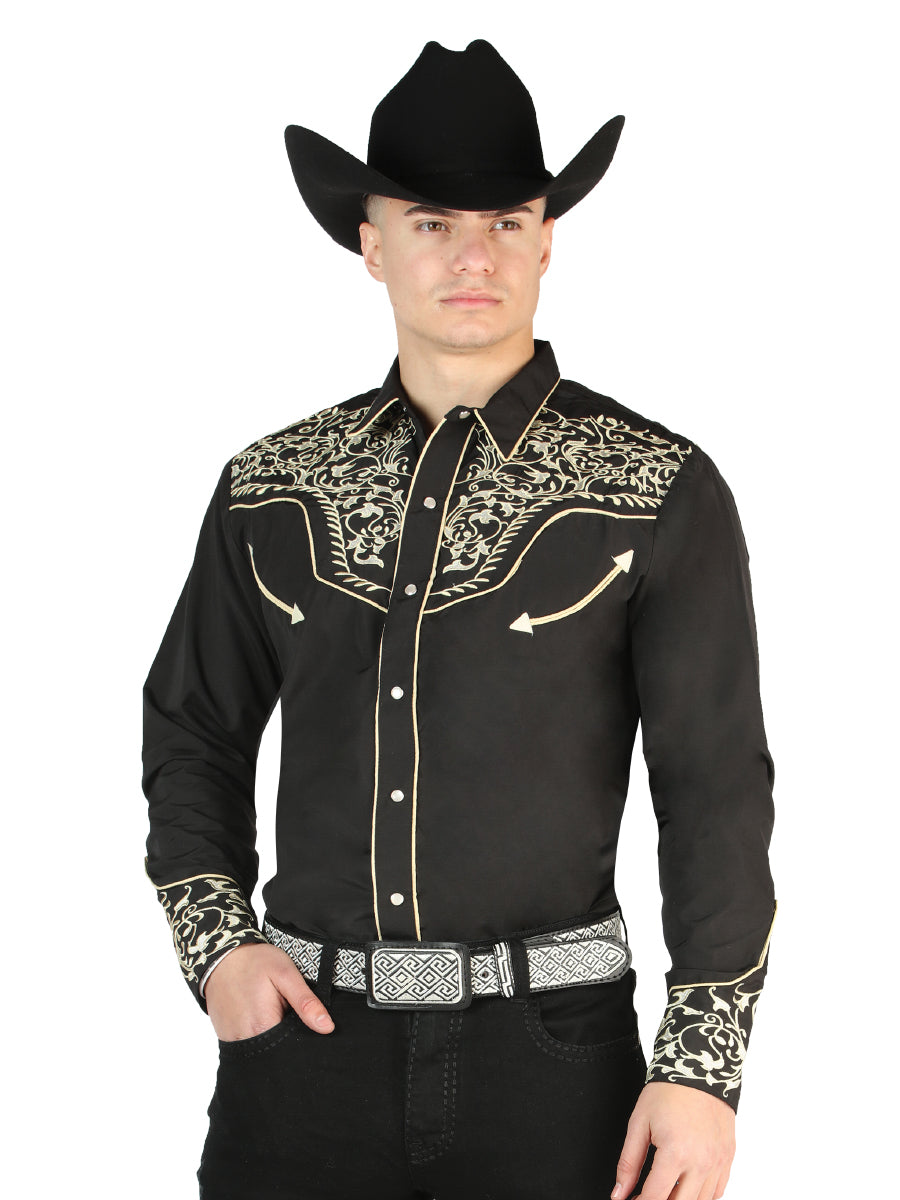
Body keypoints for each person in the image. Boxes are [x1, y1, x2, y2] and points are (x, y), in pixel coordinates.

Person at [143, 39, 776, 1200]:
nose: (473, 255)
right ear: (371, 242)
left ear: (547, 239)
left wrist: (702, 1071)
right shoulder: (272, 485)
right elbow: (193, 728)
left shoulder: (656, 488)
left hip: (555, 1062)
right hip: (303, 1051)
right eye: (432, 222)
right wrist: (218, 948)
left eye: (506, 221)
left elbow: (714, 790)